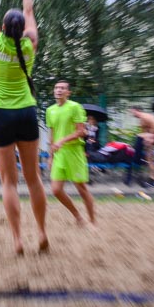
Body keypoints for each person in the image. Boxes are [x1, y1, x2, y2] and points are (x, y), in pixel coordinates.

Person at [0, 0, 48, 255]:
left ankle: (17, 240)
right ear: (22, 30)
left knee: (9, 182)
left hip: (0, 114)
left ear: (2, 29)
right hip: (26, 111)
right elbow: (29, 10)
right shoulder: (30, 44)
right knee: (33, 179)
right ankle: (42, 233)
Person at [47, 81, 96, 225]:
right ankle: (78, 217)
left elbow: (81, 131)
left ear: (68, 93)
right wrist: (50, 156)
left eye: (62, 88)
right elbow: (52, 134)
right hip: (59, 154)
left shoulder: (75, 107)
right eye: (56, 87)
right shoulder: (50, 110)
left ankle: (93, 222)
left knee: (81, 189)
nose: (59, 90)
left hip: (74, 152)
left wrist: (62, 141)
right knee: (56, 190)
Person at [127, 106, 154, 190]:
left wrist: (153, 139)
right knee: (150, 160)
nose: (131, 114)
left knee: (139, 137)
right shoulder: (142, 119)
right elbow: (145, 132)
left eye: (132, 111)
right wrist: (147, 140)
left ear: (137, 110)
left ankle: (137, 159)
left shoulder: (145, 116)